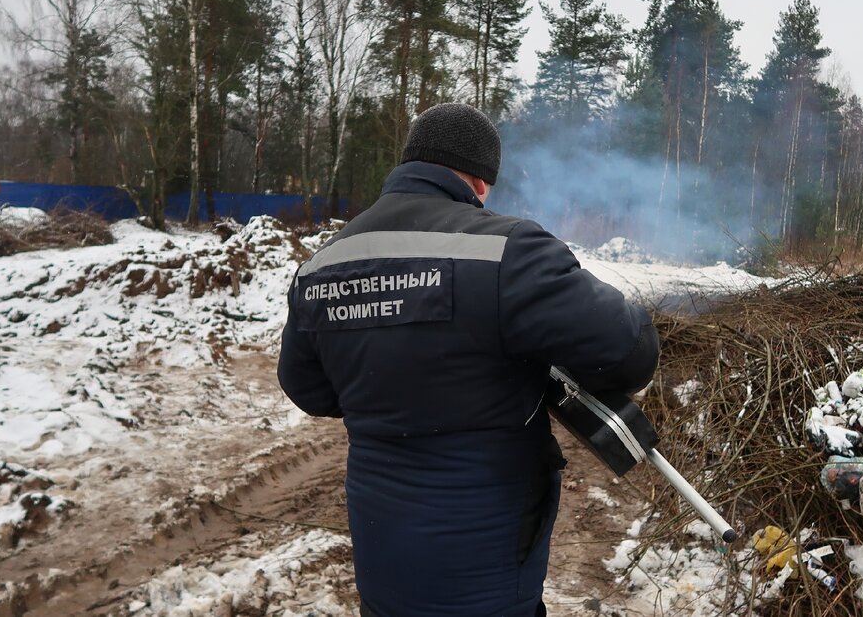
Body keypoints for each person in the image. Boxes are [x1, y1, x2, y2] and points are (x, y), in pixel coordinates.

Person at [277, 103, 660, 617]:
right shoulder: (506, 252)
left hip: (381, 538)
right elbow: (632, 353)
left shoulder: (322, 265)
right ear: (480, 181)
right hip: (485, 555)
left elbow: (309, 389)